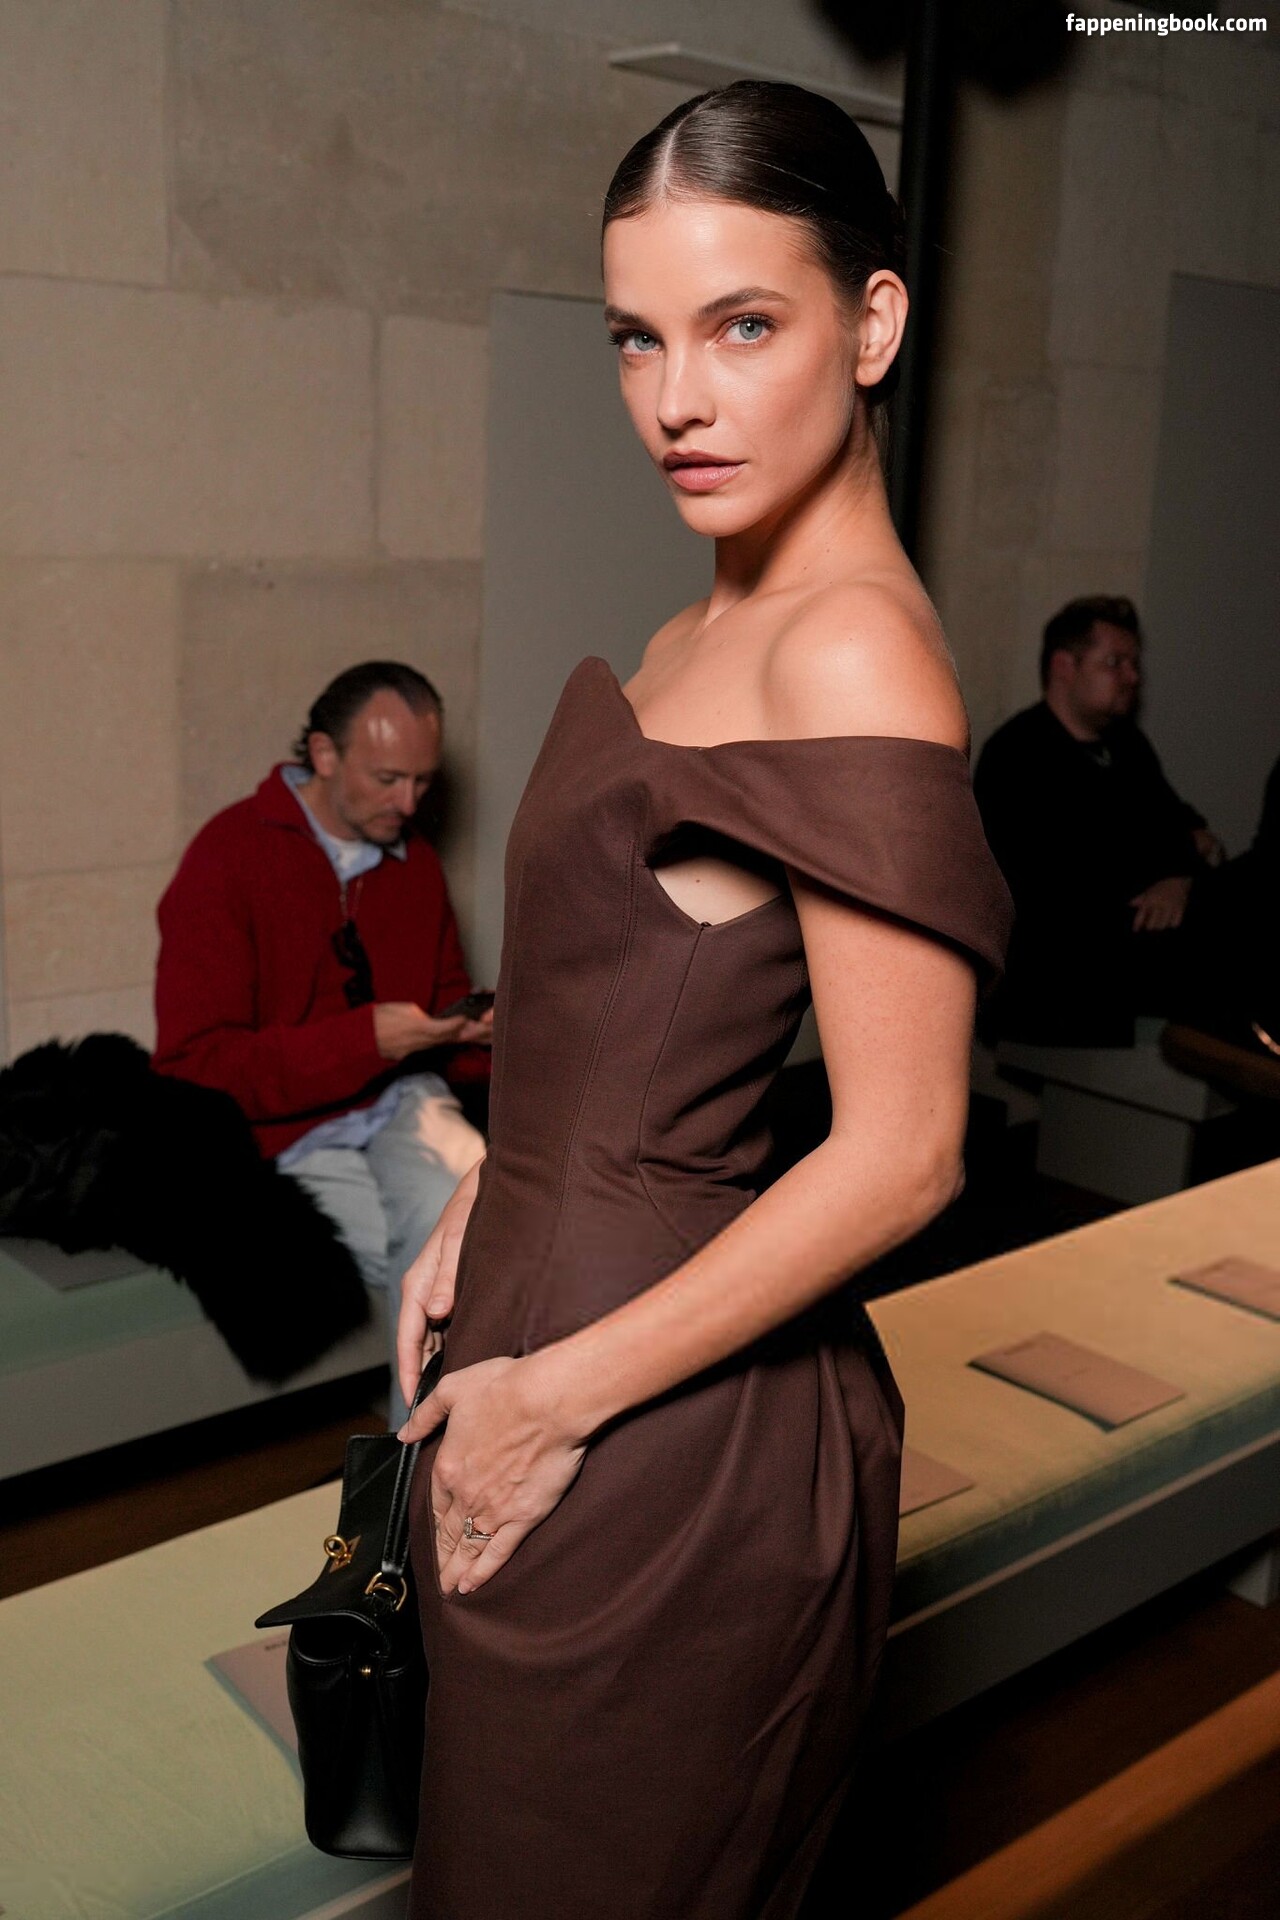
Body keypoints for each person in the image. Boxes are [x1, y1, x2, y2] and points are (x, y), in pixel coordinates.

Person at [395, 82, 1011, 1920]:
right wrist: (496, 1197)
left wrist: (549, 1403)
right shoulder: (697, 628)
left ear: (873, 324)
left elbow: (906, 1153)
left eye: (744, 326)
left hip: (644, 1420)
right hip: (544, 1336)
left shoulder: (852, 649)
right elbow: (615, 1015)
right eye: (638, 338)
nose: (676, 399)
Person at [154, 661, 491, 1423]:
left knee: (474, 1223)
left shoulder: (415, 862)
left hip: (404, 1098)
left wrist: (475, 1032)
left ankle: (421, 1457)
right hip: (288, 1130)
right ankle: (420, 1460)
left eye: (424, 781)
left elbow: (445, 1024)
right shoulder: (229, 856)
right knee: (442, 1255)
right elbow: (192, 1068)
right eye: (388, 779)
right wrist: (365, 1041)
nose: (409, 804)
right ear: (324, 753)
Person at [974, 596, 1222, 1045]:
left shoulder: (1128, 746)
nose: (1132, 677)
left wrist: (1177, 877)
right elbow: (1067, 882)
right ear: (1064, 666)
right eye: (1115, 663)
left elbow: (1189, 830)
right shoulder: (1018, 755)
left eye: (1134, 664)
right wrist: (1172, 862)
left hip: (1130, 949)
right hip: (1059, 975)